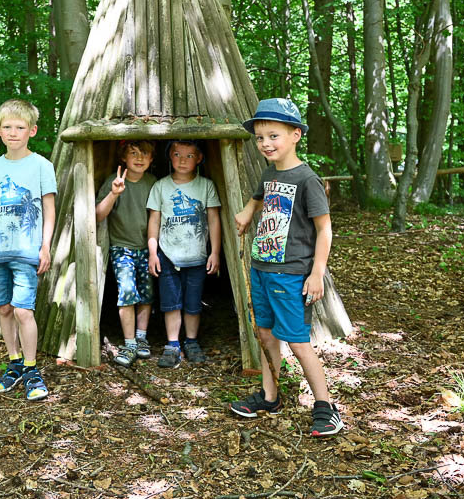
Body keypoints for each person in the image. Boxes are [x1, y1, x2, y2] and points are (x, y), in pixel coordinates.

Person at [230, 98, 343, 437]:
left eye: (273, 136)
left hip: (291, 272)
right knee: (265, 334)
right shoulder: (269, 173)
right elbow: (260, 194)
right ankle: (269, 396)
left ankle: (325, 406)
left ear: (296, 135)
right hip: (261, 266)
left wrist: (316, 272)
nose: (266, 143)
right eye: (261, 137)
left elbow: (324, 228)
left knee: (296, 340)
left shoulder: (307, 179)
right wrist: (249, 211)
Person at [0, 99, 57, 401]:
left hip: (27, 252)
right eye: (7, 127)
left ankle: (31, 368)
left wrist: (45, 246)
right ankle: (13, 363)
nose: (13, 132)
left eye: (20, 127)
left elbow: (49, 209)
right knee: (5, 309)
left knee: (24, 309)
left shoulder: (41, 166)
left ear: (32, 130)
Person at [147, 140, 221, 367]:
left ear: (199, 159)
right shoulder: (161, 186)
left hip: (197, 256)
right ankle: (172, 345)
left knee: (192, 303)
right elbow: (154, 220)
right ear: (169, 156)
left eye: (189, 156)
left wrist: (215, 252)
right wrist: (153, 252)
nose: (182, 160)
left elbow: (214, 219)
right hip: (168, 256)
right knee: (171, 302)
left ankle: (191, 341)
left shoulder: (205, 186)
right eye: (177, 154)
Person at [96, 141, 158, 366]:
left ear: (152, 159)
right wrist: (114, 193)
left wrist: (153, 250)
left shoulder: (153, 183)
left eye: (144, 154)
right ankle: (130, 342)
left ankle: (141, 338)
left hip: (146, 247)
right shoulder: (114, 181)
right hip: (121, 247)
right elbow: (98, 215)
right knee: (127, 292)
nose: (139, 158)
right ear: (124, 158)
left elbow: (157, 216)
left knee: (146, 293)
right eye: (133, 153)